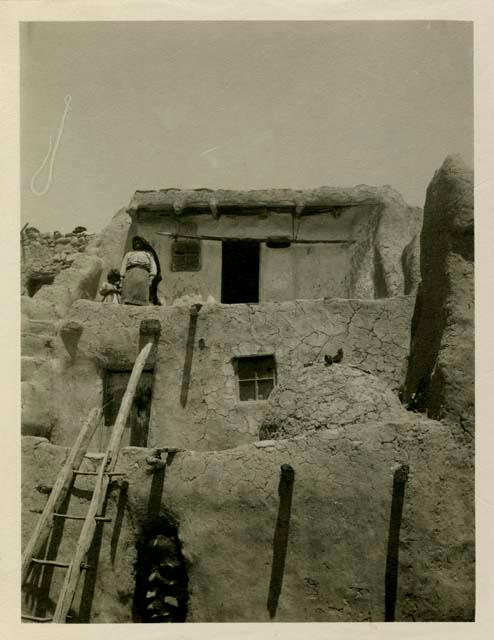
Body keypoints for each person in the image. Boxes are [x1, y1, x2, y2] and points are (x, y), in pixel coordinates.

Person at [120, 236, 158, 306]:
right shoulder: (129, 254)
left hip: (143, 275)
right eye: (135, 242)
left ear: (142, 243)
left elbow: (153, 265)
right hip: (130, 275)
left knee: (141, 297)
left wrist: (152, 277)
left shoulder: (148, 254)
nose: (137, 243)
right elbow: (124, 265)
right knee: (128, 298)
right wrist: (122, 277)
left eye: (139, 242)